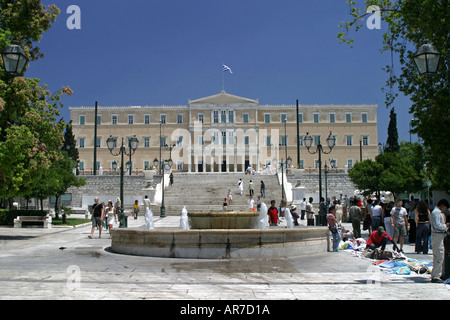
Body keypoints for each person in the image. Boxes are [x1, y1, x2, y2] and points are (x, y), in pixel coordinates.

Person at [430, 199, 449, 283]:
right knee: (439, 255)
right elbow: (437, 225)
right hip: (438, 235)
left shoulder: (436, 212)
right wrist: (446, 226)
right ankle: (436, 276)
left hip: (439, 235)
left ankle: (437, 274)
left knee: (438, 255)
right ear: (442, 205)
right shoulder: (437, 213)